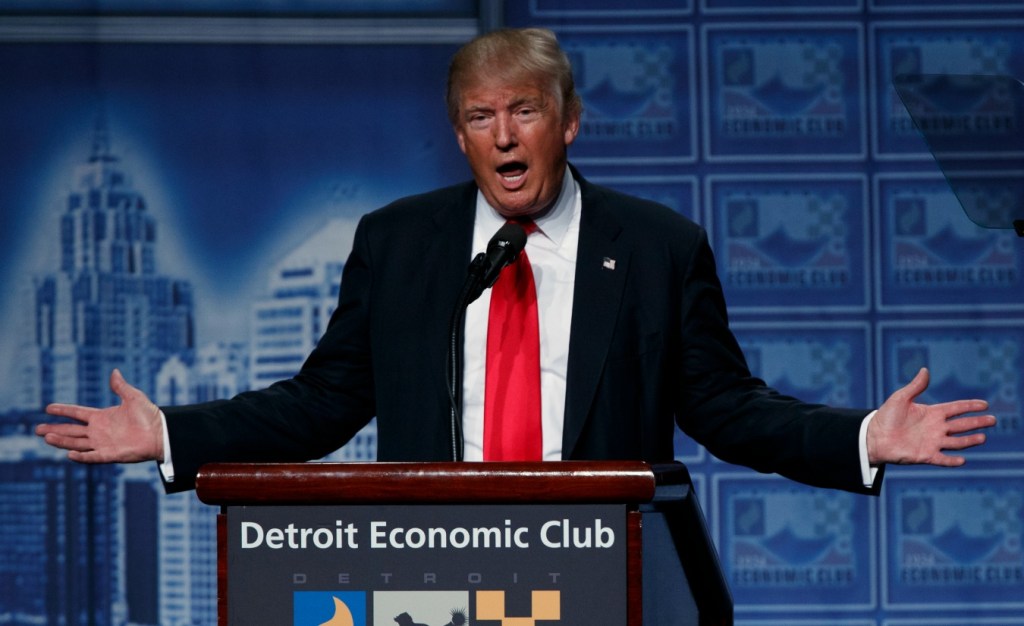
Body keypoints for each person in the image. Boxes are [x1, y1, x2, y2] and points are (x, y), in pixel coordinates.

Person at [36, 28, 994, 496]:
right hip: (430, 569)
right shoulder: (399, 244)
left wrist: (863, 437)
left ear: (567, 122)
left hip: (603, 561)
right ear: (459, 136)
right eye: (480, 117)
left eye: (524, 111)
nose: (504, 135)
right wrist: (171, 433)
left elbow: (726, 410)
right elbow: (323, 401)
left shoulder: (657, 248)